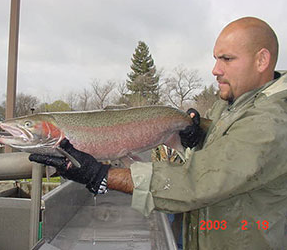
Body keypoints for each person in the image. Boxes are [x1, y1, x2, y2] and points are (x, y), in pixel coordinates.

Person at [30, 17, 287, 249]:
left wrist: (102, 175)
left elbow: (196, 182)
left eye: (227, 59)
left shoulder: (271, 122)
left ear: (261, 60)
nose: (215, 70)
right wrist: (197, 141)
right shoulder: (232, 104)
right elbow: (227, 160)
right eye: (215, 58)